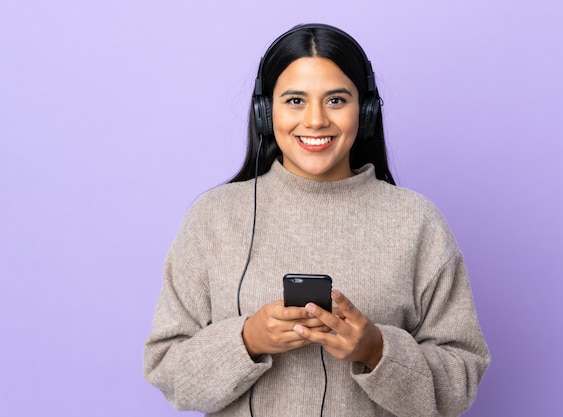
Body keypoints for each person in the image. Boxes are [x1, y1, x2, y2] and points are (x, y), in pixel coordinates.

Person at [144, 23, 490, 417]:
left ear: (367, 110)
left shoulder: (417, 222)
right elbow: (167, 371)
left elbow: (460, 384)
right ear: (264, 111)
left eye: (336, 100)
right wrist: (247, 340)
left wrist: (376, 350)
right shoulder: (213, 217)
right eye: (294, 100)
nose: (314, 120)